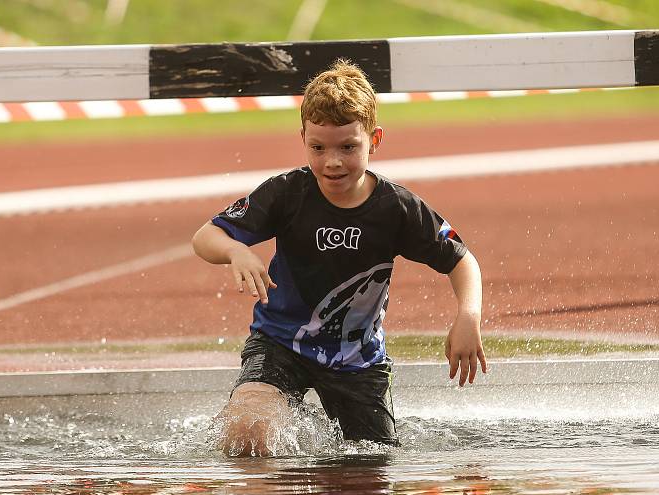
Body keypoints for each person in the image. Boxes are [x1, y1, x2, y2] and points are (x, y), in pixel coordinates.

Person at [192, 58, 487, 456]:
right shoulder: (286, 193)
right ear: (303, 140)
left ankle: (319, 426)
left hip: (357, 360)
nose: (333, 162)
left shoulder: (396, 208)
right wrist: (236, 249)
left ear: (375, 140)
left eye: (348, 147)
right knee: (247, 433)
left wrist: (468, 317)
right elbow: (205, 236)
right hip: (280, 343)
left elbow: (461, 261)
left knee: (372, 459)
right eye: (319, 147)